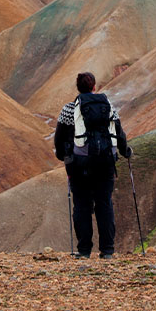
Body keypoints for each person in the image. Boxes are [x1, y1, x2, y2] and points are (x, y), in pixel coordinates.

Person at [54, 72, 131, 259]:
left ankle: (84, 250)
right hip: (105, 162)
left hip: (79, 165)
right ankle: (107, 250)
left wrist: (63, 156)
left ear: (78, 87)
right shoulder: (108, 107)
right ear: (94, 87)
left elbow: (59, 138)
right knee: (104, 204)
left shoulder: (69, 109)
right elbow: (119, 133)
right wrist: (125, 151)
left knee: (82, 205)